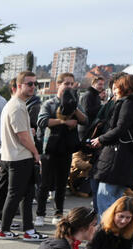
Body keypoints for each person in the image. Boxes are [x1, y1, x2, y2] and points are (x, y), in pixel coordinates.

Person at [90, 74, 133, 218]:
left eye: (116, 87)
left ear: (125, 88)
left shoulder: (128, 104)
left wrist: (101, 139)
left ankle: (106, 229)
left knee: (105, 198)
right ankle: (115, 228)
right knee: (116, 199)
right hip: (127, 155)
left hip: (117, 154)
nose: (114, 91)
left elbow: (121, 128)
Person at [0, 72, 45, 241]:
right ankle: (4, 229)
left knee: (27, 195)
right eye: (29, 84)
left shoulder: (16, 104)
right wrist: (36, 152)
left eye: (35, 84)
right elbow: (22, 136)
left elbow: (22, 133)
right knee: (15, 195)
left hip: (14, 156)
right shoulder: (16, 106)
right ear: (19, 85)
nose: (33, 87)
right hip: (18, 157)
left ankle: (28, 230)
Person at [36, 73, 86, 226]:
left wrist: (74, 109)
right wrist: (63, 121)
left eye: (71, 84)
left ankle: (58, 213)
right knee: (45, 184)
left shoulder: (74, 103)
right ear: (58, 84)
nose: (69, 86)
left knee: (61, 183)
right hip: (49, 148)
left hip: (66, 148)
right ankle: (40, 214)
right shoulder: (49, 103)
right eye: (66, 83)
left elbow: (85, 120)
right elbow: (42, 121)